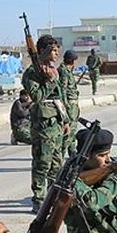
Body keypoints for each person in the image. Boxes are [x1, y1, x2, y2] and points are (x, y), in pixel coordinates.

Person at [21, 35, 70, 214]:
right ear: (42, 51)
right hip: (43, 125)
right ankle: (39, 199)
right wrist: (49, 81)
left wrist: (65, 120)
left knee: (57, 165)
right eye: (53, 50)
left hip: (56, 122)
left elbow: (60, 97)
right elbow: (37, 96)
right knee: (42, 164)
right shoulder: (31, 73)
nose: (56, 54)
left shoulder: (53, 70)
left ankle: (53, 197)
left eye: (57, 50)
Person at [59, 49, 81, 157]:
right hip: (69, 105)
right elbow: (62, 90)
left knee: (72, 132)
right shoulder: (63, 71)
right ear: (72, 61)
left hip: (73, 105)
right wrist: (66, 106)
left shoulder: (67, 71)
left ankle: (73, 155)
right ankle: (61, 156)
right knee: (68, 133)